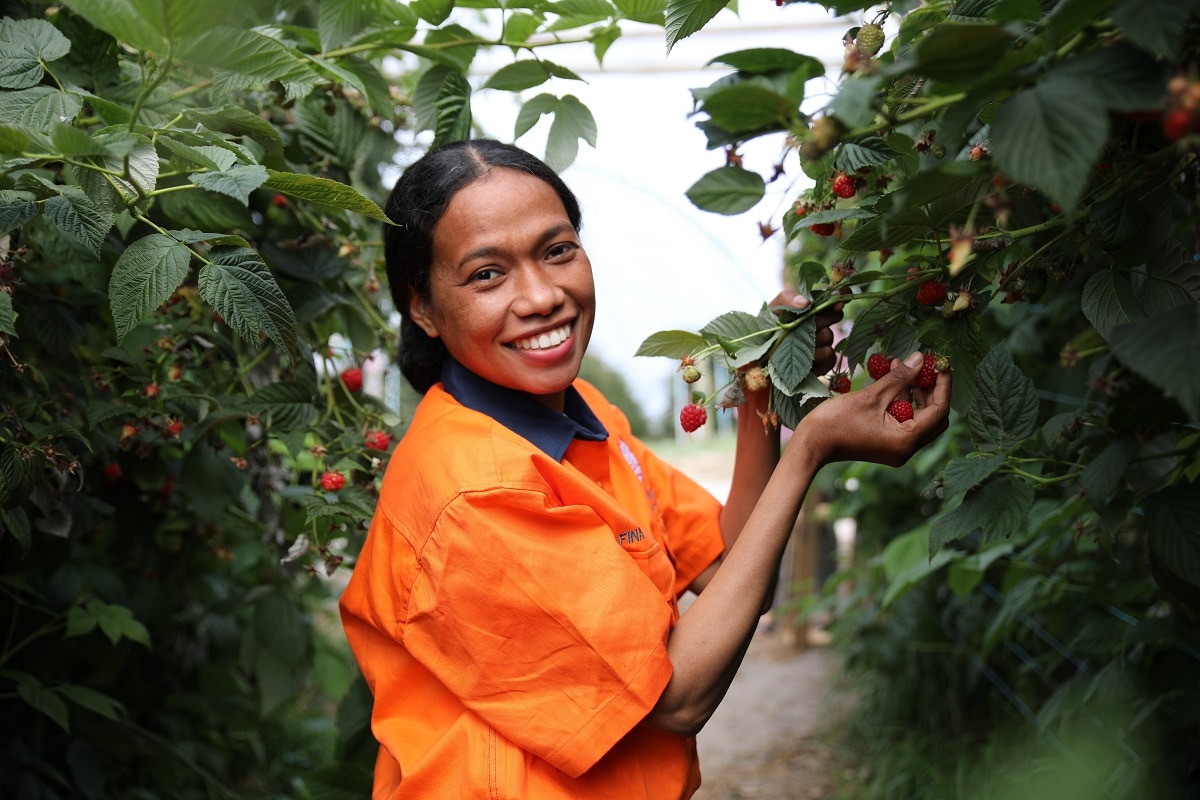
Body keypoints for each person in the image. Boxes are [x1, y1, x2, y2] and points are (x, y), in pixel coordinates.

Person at [337, 139, 951, 799]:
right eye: (487, 274)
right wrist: (811, 448)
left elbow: (730, 570)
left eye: (557, 250)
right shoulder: (471, 492)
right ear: (422, 306)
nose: (542, 296)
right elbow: (679, 694)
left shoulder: (580, 413)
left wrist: (762, 386)